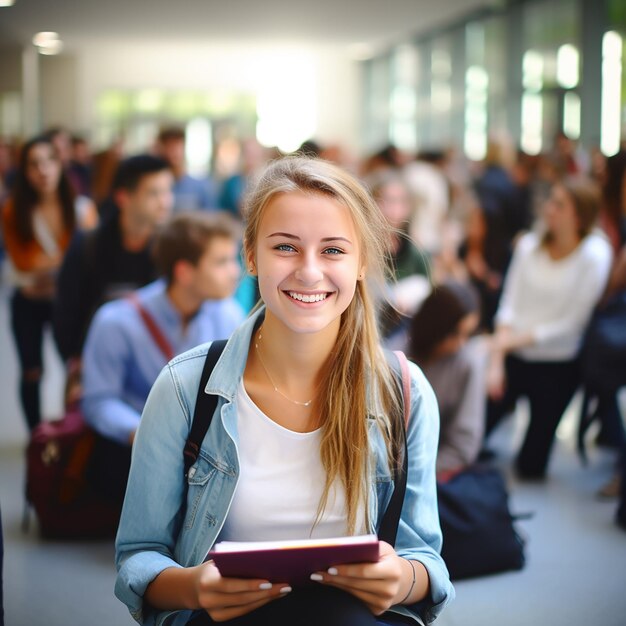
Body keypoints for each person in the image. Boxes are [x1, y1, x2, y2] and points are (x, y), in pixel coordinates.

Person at [115, 157, 454, 626]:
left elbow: (427, 559)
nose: (309, 272)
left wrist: (402, 578)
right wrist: (193, 587)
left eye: (333, 250)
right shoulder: (185, 387)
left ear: (361, 264)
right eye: (286, 247)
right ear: (251, 255)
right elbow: (138, 554)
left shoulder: (404, 392)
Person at [81, 211, 245, 506]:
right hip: (133, 457)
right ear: (184, 272)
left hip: (203, 456)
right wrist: (144, 435)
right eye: (221, 262)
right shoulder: (116, 321)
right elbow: (98, 401)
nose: (236, 272)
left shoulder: (229, 314)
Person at [486, 177, 613, 479]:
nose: (548, 208)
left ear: (578, 216)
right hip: (514, 356)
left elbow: (572, 325)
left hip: (557, 366)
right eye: (550, 200)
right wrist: (496, 361)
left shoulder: (594, 254)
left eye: (559, 204)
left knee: (530, 467)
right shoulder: (530, 245)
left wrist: (506, 344)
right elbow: (509, 303)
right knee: (471, 440)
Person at [1, 135, 97, 430]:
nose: (42, 170)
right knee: (32, 372)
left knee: (75, 368)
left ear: (60, 165)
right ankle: (36, 439)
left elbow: (90, 261)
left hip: (67, 304)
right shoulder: (13, 210)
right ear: (25, 171)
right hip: (28, 302)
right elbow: (23, 262)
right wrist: (65, 264)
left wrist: (49, 268)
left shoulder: (81, 209)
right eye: (34, 164)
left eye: (49, 162)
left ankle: (69, 435)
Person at [53, 154, 174, 367]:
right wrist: (75, 361)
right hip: (96, 365)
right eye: (154, 193)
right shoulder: (87, 246)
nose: (165, 202)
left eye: (168, 191)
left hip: (153, 369)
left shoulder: (170, 250)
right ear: (123, 197)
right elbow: (66, 313)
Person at [406, 281, 487, 481]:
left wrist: (416, 475)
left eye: (468, 334)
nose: (461, 344)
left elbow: (464, 444)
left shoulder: (467, 364)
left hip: (434, 472)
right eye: (455, 333)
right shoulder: (397, 352)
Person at [155, 126, 218, 212]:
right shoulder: (154, 189)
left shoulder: (200, 187)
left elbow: (210, 218)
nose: (174, 151)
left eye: (177, 145)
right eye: (169, 146)